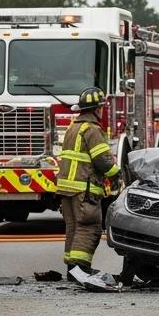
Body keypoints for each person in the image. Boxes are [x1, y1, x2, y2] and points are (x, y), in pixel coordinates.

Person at [54, 87, 122, 292]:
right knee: (88, 228)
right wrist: (117, 174)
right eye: (101, 107)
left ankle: (72, 270)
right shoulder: (92, 130)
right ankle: (80, 269)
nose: (102, 111)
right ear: (96, 109)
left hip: (67, 190)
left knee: (73, 228)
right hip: (84, 190)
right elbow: (103, 161)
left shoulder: (73, 128)